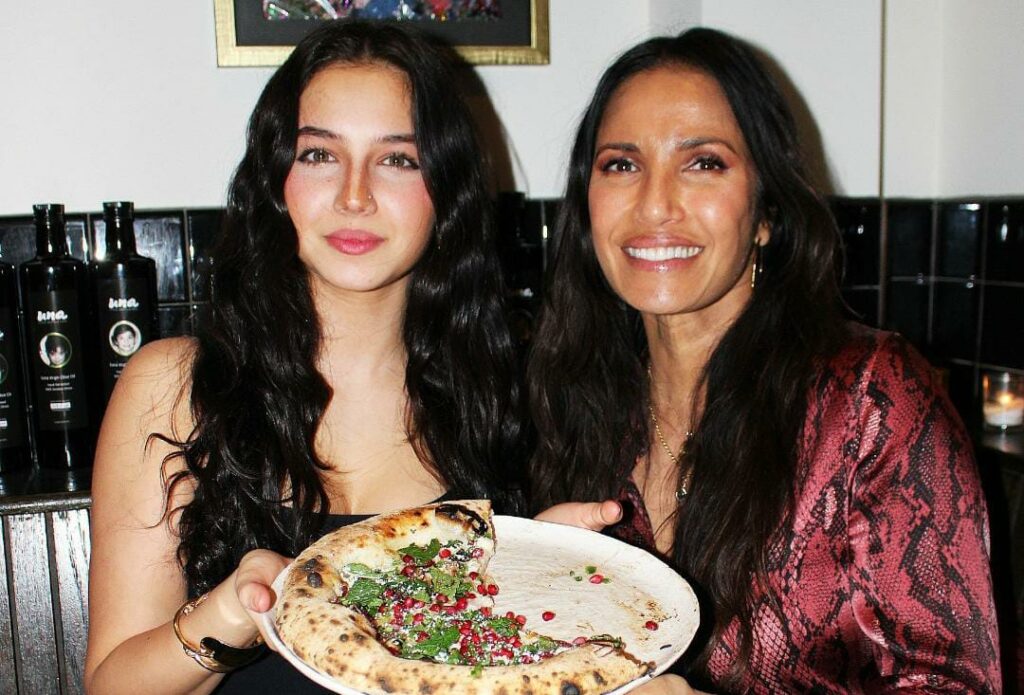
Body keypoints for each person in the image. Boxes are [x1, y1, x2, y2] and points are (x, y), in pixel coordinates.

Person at [527, 28, 1001, 694]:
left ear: (766, 213)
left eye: (704, 163)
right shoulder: (577, 398)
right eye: (622, 164)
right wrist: (529, 588)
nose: (655, 203)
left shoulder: (870, 399)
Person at [84, 20, 528, 694]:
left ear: (447, 192)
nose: (355, 195)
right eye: (319, 154)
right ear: (275, 180)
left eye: (398, 159)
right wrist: (234, 609)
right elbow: (113, 684)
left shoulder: (512, 390)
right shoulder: (173, 387)